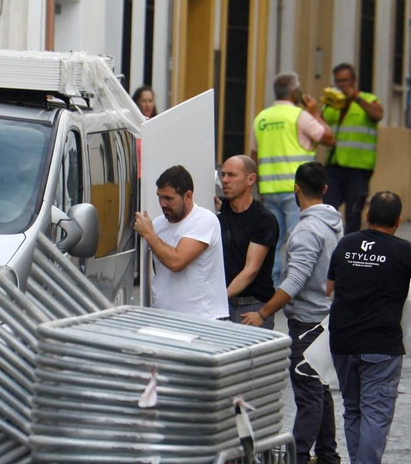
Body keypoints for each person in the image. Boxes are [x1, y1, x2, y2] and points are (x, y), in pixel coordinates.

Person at [326, 191, 411, 464]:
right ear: (398, 221)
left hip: (343, 341)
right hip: (381, 345)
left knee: (353, 410)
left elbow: (329, 288)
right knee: (376, 414)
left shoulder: (346, 244)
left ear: (366, 215)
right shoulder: (404, 251)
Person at [241, 161, 344, 464]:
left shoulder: (306, 231)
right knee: (319, 385)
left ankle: (298, 459)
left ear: (296, 188)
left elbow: (295, 280)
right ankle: (327, 458)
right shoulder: (333, 224)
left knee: (308, 389)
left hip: (308, 321)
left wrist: (263, 312)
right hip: (326, 317)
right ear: (325, 189)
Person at [252, 71, 334, 283]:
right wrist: (315, 113)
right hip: (297, 190)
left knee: (272, 241)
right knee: (299, 239)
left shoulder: (261, 118)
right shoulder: (300, 116)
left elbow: (255, 155)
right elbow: (328, 138)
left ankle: (272, 285)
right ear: (295, 91)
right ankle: (294, 286)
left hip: (269, 189)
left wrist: (259, 187)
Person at [132, 165, 225, 320]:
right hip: (163, 318)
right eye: (159, 197)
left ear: (188, 196)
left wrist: (149, 233)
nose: (162, 204)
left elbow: (176, 262)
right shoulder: (158, 224)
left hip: (201, 321)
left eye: (168, 198)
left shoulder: (204, 220)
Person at [322, 62, 384, 234]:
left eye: (345, 81)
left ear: (354, 80)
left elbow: (377, 114)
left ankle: (350, 246)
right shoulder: (333, 104)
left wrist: (356, 97)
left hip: (359, 167)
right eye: (338, 81)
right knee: (327, 208)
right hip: (334, 164)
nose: (342, 85)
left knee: (354, 212)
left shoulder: (369, 100)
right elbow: (322, 124)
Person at [217, 155, 279, 327]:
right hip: (223, 304)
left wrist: (218, 297)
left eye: (231, 175)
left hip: (252, 306)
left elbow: (250, 270)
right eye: (223, 175)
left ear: (250, 179)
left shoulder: (263, 218)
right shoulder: (217, 211)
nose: (225, 180)